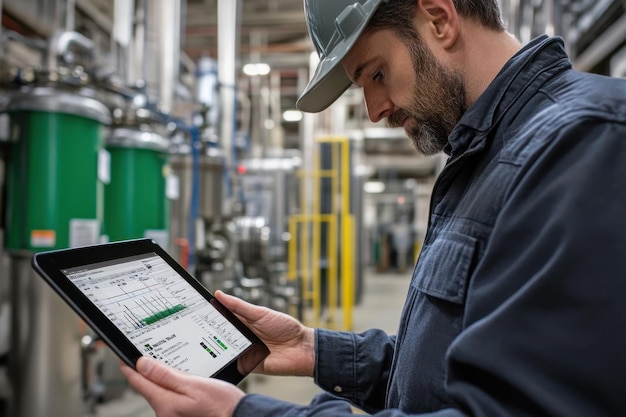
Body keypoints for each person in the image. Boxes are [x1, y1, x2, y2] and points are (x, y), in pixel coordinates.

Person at [120, 0, 626, 415]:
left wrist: (243, 414)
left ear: (439, 19)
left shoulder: (578, 144)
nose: (375, 109)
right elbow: (446, 374)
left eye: (376, 73)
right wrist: (313, 349)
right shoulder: (483, 160)